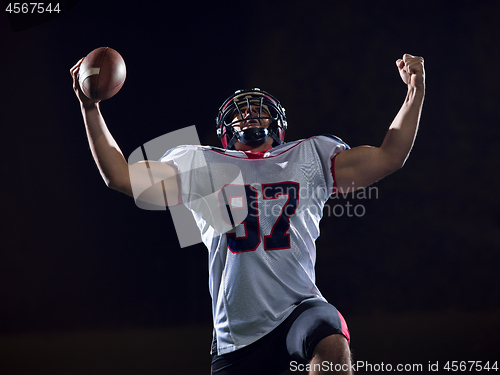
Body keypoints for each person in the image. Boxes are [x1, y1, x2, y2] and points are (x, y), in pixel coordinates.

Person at [70, 54, 425, 375]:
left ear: (278, 125)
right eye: (241, 113)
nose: (251, 115)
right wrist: (90, 110)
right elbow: (119, 176)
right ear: (226, 132)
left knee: (331, 342)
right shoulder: (201, 163)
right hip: (236, 334)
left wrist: (415, 92)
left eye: (259, 111)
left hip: (299, 309)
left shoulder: (310, 156)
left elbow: (389, 156)